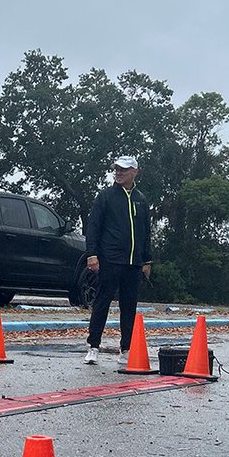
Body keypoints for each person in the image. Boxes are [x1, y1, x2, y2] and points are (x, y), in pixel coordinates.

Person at [83, 154, 152, 366]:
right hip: (110, 259)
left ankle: (126, 348)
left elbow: (146, 231)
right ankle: (93, 346)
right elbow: (93, 226)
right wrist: (92, 254)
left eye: (124, 169)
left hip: (133, 263)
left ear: (134, 172)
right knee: (102, 302)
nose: (119, 173)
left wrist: (147, 260)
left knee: (129, 307)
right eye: (117, 169)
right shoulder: (105, 196)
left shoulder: (141, 199)